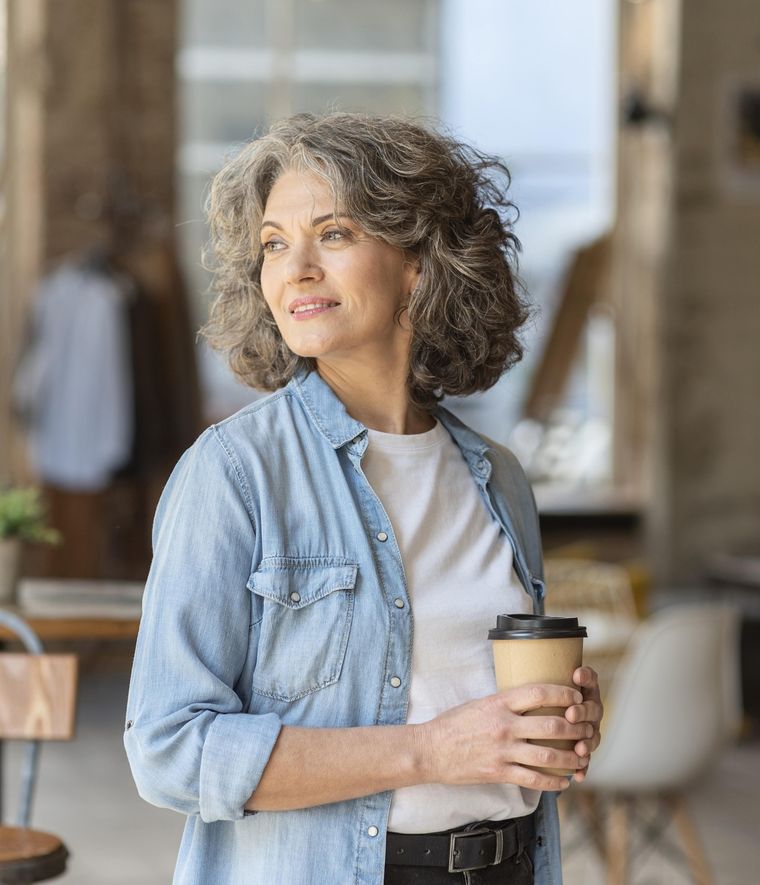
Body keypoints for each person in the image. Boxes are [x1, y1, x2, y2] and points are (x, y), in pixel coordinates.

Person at [124, 113, 603, 885]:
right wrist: (430, 749)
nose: (295, 269)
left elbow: (478, 705)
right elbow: (168, 749)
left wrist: (555, 723)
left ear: (418, 260)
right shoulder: (234, 472)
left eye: (334, 233)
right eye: (274, 244)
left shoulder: (500, 478)